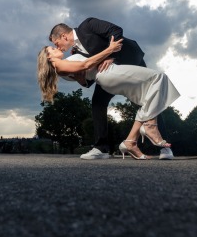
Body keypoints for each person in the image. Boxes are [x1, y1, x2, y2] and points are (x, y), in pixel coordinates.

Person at [49, 18, 174, 160]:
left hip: (128, 58)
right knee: (98, 102)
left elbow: (116, 31)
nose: (58, 47)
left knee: (149, 99)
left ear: (63, 36)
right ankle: (101, 149)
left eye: (56, 43)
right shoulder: (75, 52)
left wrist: (111, 56)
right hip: (110, 73)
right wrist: (81, 80)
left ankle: (164, 148)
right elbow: (90, 75)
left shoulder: (88, 25)